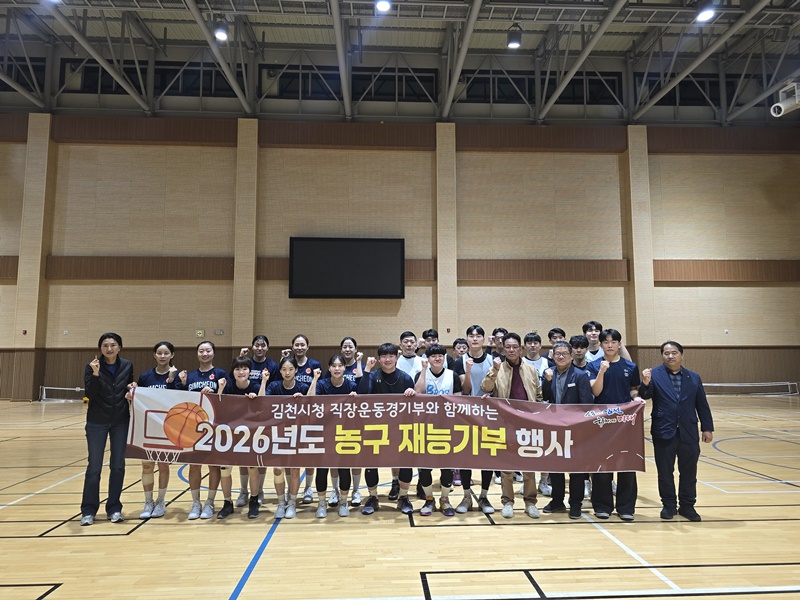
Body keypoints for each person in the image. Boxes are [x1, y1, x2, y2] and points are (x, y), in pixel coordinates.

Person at [639, 341, 714, 522]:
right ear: (662, 356)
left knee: (689, 472)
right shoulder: (654, 375)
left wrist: (707, 428)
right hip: (663, 431)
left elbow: (702, 405)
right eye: (666, 353)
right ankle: (669, 505)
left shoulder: (693, 377)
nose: (670, 356)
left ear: (681, 355)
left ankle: (687, 506)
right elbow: (644, 395)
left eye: (674, 352)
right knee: (665, 472)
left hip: (688, 431)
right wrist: (645, 383)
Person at [480, 332, 543, 519]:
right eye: (508, 347)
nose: (511, 350)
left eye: (515, 347)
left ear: (521, 349)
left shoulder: (531, 369)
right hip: (505, 423)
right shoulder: (497, 367)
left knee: (529, 466)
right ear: (503, 348)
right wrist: (494, 370)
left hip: (528, 423)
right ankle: (507, 502)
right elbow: (485, 388)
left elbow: (538, 395)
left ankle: (530, 502)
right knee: (506, 467)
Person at [586, 328, 641, 521]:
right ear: (601, 345)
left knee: (627, 464)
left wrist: (636, 398)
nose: (610, 345)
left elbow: (633, 390)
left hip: (625, 423)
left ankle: (626, 507)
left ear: (619, 344)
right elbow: (596, 391)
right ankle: (602, 506)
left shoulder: (630, 366)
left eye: (613, 342)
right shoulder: (593, 366)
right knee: (602, 466)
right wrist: (602, 371)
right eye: (606, 342)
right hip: (601, 423)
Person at [80, 333, 134, 526]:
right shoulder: (92, 366)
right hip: (97, 422)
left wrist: (132, 389)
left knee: (118, 466)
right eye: (105, 345)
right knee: (94, 467)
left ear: (119, 347)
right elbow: (90, 393)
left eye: (113, 345)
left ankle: (114, 508)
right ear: (100, 348)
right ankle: (88, 510)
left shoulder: (127, 365)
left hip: (120, 421)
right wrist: (95, 374)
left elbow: (128, 388)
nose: (109, 349)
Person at [356, 343, 416, 515]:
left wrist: (412, 393)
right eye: (384, 356)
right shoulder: (372, 375)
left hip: (400, 429)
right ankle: (373, 497)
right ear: (379, 359)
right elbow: (362, 394)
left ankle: (403, 497)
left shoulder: (405, 378)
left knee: (405, 463)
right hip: (375, 428)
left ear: (397, 358)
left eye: (391, 356)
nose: (388, 359)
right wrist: (367, 369)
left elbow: (413, 406)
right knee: (370, 464)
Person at [177, 340, 229, 520]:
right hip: (193, 426)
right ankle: (195, 502)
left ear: (214, 353)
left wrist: (215, 393)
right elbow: (180, 400)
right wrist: (183, 384)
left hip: (214, 425)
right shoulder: (189, 376)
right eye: (201, 351)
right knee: (194, 465)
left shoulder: (221, 374)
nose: (205, 354)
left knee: (213, 465)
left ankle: (210, 502)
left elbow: (228, 400)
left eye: (208, 351)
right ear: (197, 353)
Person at [541, 341, 593, 519]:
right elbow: (545, 397)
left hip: (575, 429)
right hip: (554, 428)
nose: (561, 356)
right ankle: (557, 501)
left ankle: (576, 503)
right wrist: (547, 381)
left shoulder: (580, 375)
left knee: (576, 468)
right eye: (558, 354)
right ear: (553, 356)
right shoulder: (549, 373)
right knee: (556, 466)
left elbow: (586, 404)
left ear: (571, 356)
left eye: (564, 354)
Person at [266, 356, 321, 519]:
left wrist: (310, 387)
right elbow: (263, 402)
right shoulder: (274, 386)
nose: (287, 372)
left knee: (295, 470)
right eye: (284, 369)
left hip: (297, 433)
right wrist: (263, 382)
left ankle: (292, 503)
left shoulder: (302, 387)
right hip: (278, 434)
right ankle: (281, 502)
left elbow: (312, 402)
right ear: (280, 371)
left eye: (291, 369)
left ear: (296, 370)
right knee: (277, 470)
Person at [215, 357, 269, 519]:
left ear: (250, 371)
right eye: (237, 369)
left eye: (244, 369)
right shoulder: (228, 385)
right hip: (229, 433)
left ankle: (254, 500)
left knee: (252, 468)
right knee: (225, 469)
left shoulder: (255, 386)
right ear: (233, 372)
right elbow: (217, 405)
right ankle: (227, 503)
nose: (241, 372)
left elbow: (263, 403)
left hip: (250, 433)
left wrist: (260, 390)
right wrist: (220, 389)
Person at [413, 344, 461, 516]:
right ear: (428, 358)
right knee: (424, 467)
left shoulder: (452, 375)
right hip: (425, 427)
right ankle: (429, 499)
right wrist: (424, 370)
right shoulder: (421, 374)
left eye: (440, 355)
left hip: (447, 428)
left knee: (447, 467)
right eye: (433, 356)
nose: (437, 358)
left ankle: (445, 499)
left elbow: (459, 400)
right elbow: (417, 392)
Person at [134, 341, 179, 520]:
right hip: (148, 427)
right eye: (159, 353)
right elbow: (139, 398)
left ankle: (160, 501)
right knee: (147, 465)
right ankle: (148, 501)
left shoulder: (177, 375)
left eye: (166, 353)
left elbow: (178, 400)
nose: (162, 356)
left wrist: (171, 380)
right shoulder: (146, 376)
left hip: (167, 428)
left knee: (163, 465)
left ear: (172, 355)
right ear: (154, 355)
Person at [455, 325, 496, 515]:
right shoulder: (460, 361)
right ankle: (466, 496)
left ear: (483, 339)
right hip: (466, 415)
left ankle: (484, 496)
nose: (475, 339)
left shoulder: (492, 360)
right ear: (467, 339)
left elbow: (497, 386)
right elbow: (465, 389)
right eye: (471, 336)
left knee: (488, 457)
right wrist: (468, 369)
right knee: (466, 457)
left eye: (478, 336)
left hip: (489, 415)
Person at [236, 334, 279, 508]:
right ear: (252, 346)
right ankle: (243, 490)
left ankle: (259, 490)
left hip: (262, 414)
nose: (260, 348)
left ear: (267, 348)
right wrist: (240, 357)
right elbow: (235, 378)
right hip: (242, 416)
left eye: (263, 345)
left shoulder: (273, 366)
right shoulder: (246, 363)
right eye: (257, 345)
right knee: (243, 456)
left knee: (260, 455)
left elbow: (274, 388)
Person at [314, 354, 358, 518]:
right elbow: (312, 401)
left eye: (340, 365)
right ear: (329, 368)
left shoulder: (351, 385)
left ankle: (343, 502)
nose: (337, 368)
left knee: (344, 468)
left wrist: (355, 399)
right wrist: (314, 379)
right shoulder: (322, 384)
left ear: (345, 368)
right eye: (334, 366)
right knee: (322, 470)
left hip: (344, 432)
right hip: (324, 432)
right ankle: (321, 503)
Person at [281, 334, 322, 504]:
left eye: (302, 344)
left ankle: (308, 488)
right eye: (296, 344)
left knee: (308, 457)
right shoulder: (286, 364)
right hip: (288, 419)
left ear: (307, 347)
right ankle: (290, 489)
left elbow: (317, 390)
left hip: (307, 419)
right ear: (292, 347)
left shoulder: (314, 365)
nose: (299, 347)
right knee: (288, 459)